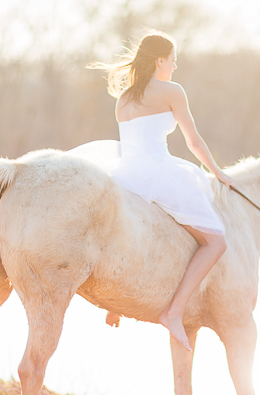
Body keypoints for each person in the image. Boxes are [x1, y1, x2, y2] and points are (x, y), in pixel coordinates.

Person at [90, 32, 235, 351]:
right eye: (172, 59)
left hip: (124, 172)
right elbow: (194, 142)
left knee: (138, 228)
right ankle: (175, 311)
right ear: (160, 60)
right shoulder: (172, 91)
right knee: (215, 241)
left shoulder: (124, 97)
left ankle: (116, 303)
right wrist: (218, 172)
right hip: (155, 170)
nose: (175, 64)